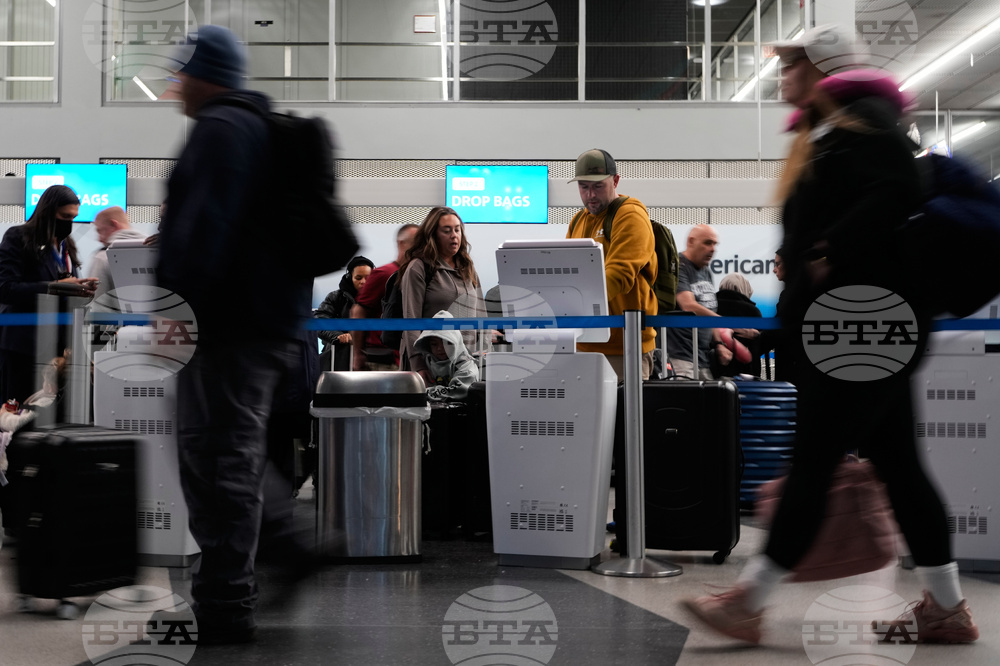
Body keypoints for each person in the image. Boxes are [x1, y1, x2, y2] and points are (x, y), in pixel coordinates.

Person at [682, 25, 978, 645]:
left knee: (816, 457)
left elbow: (897, 188)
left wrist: (826, 249)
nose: (783, 74)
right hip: (864, 321)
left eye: (792, 64)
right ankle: (947, 608)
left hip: (861, 323)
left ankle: (749, 600)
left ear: (821, 68)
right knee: (899, 466)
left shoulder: (862, 122)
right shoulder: (836, 130)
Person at [157, 25, 345, 645]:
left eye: (182, 73)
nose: (176, 86)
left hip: (227, 327)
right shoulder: (257, 127)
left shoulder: (221, 129)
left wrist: (175, 307)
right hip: (264, 324)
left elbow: (203, 230)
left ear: (205, 73)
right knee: (231, 454)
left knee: (217, 463)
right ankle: (283, 551)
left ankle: (226, 605)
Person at [565, 148, 657, 380]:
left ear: (615, 181)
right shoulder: (578, 220)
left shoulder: (630, 215)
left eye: (598, 186)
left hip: (625, 347)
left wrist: (572, 302)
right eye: (583, 187)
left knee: (625, 406)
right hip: (583, 343)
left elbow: (619, 274)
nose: (590, 195)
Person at [0, 185, 97, 404]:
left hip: (56, 351)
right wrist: (55, 287)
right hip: (23, 347)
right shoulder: (18, 237)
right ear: (48, 211)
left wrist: (80, 290)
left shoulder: (66, 245)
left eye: (73, 217)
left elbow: (63, 287)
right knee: (19, 414)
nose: (69, 223)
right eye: (65, 217)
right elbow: (5, 289)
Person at [399, 207, 485, 385]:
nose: (454, 236)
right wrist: (418, 364)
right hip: (430, 367)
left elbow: (481, 315)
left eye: (457, 230)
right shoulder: (419, 267)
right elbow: (410, 319)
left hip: (463, 366)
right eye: (447, 231)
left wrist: (483, 356)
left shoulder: (467, 267)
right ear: (433, 235)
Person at [667, 225, 752, 379]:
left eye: (714, 244)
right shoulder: (679, 267)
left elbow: (709, 311)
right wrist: (730, 324)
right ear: (691, 241)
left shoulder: (706, 271)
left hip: (702, 357)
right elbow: (688, 306)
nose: (712, 249)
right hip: (680, 357)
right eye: (707, 243)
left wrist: (719, 344)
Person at [350, 224, 419, 371]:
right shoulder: (385, 274)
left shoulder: (416, 274)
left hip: (406, 357)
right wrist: (358, 354)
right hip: (383, 360)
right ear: (401, 243)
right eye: (416, 242)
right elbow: (358, 312)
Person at [315, 256, 374, 371]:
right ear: (349, 277)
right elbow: (320, 320)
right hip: (338, 355)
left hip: (371, 355)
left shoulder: (381, 297)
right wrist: (337, 336)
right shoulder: (335, 297)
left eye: (368, 278)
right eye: (358, 278)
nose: (363, 282)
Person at [413, 311, 479, 401]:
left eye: (447, 343)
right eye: (434, 344)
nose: (440, 348)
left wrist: (422, 394)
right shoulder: (426, 363)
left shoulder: (465, 365)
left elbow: (458, 391)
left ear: (456, 342)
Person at [87, 206, 146, 306]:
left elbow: (97, 302)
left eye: (100, 231)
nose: (99, 239)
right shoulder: (154, 250)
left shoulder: (103, 257)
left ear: (114, 224)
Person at [711, 274, 763, 377]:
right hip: (745, 372)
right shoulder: (752, 311)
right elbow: (760, 344)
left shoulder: (709, 308)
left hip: (714, 368)